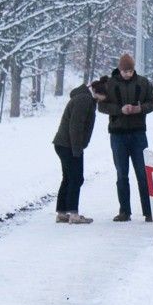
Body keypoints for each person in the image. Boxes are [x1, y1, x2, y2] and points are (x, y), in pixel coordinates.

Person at [98, 53, 153, 222]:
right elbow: (101, 106)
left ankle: (149, 211)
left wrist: (139, 109)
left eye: (130, 71)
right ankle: (125, 211)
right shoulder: (109, 84)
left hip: (138, 134)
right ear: (120, 69)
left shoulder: (143, 83)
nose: (128, 74)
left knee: (143, 174)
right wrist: (119, 110)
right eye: (125, 71)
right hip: (118, 134)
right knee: (122, 173)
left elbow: (152, 103)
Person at [52, 79, 107, 224]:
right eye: (105, 96)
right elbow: (75, 126)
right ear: (98, 92)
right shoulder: (84, 100)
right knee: (76, 178)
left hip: (64, 144)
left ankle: (62, 212)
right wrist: (77, 150)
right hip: (69, 145)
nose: (105, 99)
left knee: (69, 178)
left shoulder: (85, 98)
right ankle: (73, 214)